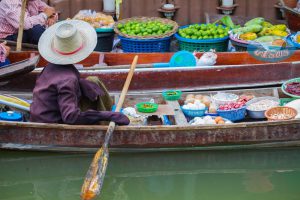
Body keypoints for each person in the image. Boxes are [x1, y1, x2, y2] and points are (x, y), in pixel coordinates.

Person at [30, 20, 130, 125]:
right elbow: (70, 117)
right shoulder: (68, 79)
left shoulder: (50, 67)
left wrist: (80, 82)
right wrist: (106, 115)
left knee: (93, 81)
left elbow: (57, 86)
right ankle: (107, 119)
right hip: (52, 125)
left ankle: (110, 111)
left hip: (39, 116)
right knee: (94, 90)